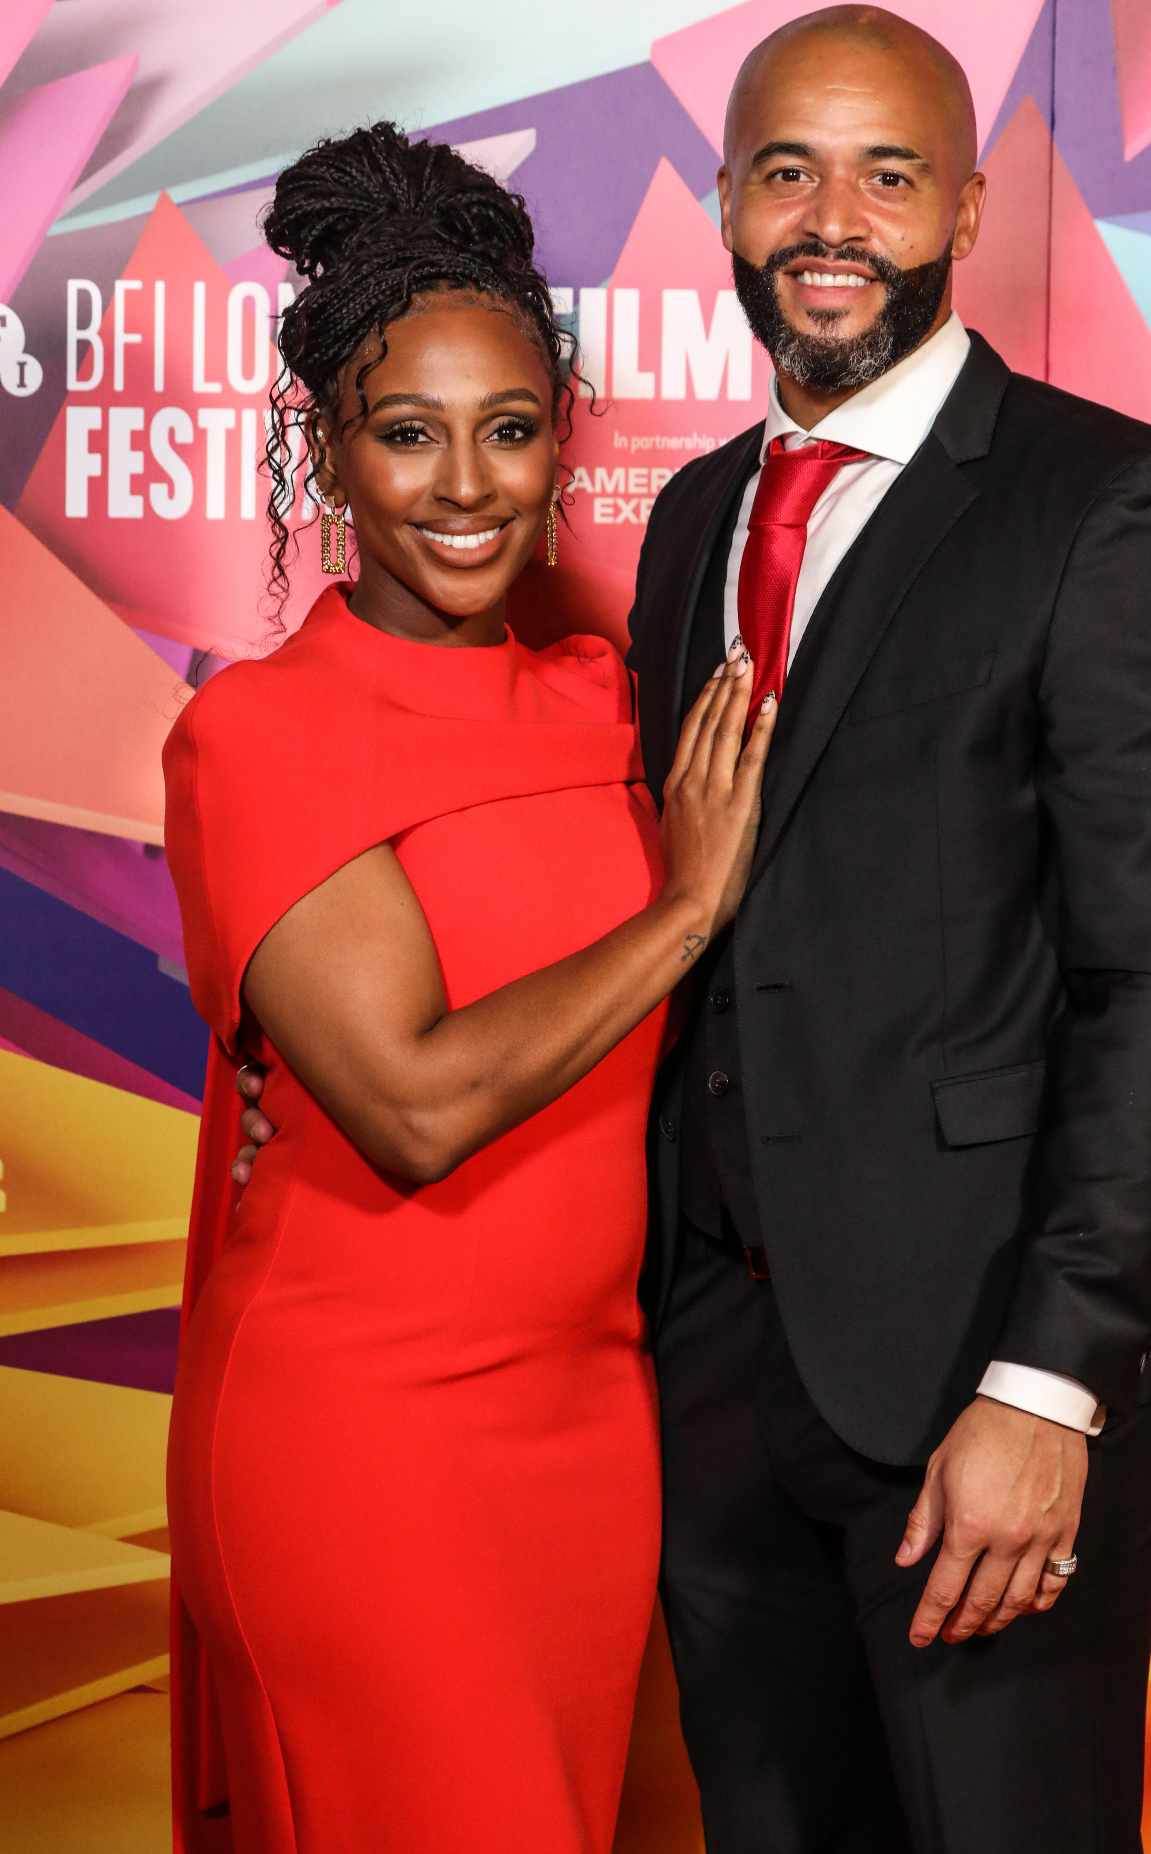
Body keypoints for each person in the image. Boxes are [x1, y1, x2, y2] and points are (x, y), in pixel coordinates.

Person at [236, 8, 1151, 1854]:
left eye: (888, 172)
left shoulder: (1108, 505)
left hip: (978, 1383)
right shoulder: (702, 514)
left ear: (965, 201)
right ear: (723, 196)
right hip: (709, 1389)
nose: (834, 217)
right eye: (789, 167)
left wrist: (1048, 1388)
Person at [164, 122, 774, 1854]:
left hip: (591, 1431)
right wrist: (684, 911)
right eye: (406, 435)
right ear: (328, 453)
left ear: (559, 446)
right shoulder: (261, 733)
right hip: (360, 1452)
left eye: (509, 434)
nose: (464, 487)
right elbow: (416, 1103)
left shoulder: (610, 703)